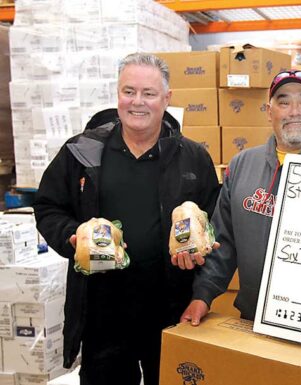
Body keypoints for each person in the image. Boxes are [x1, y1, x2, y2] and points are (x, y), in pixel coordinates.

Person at [33, 53, 220, 385]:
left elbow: (214, 217)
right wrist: (72, 236)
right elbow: (48, 207)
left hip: (170, 311)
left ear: (167, 98)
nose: (138, 102)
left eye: (148, 93)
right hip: (103, 314)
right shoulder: (82, 151)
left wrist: (201, 252)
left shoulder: (193, 157)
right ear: (117, 94)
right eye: (128, 91)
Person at [177, 70, 301, 369]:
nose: (294, 112)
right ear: (269, 111)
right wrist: (204, 295)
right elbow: (223, 240)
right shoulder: (242, 165)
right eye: (283, 101)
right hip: (253, 322)